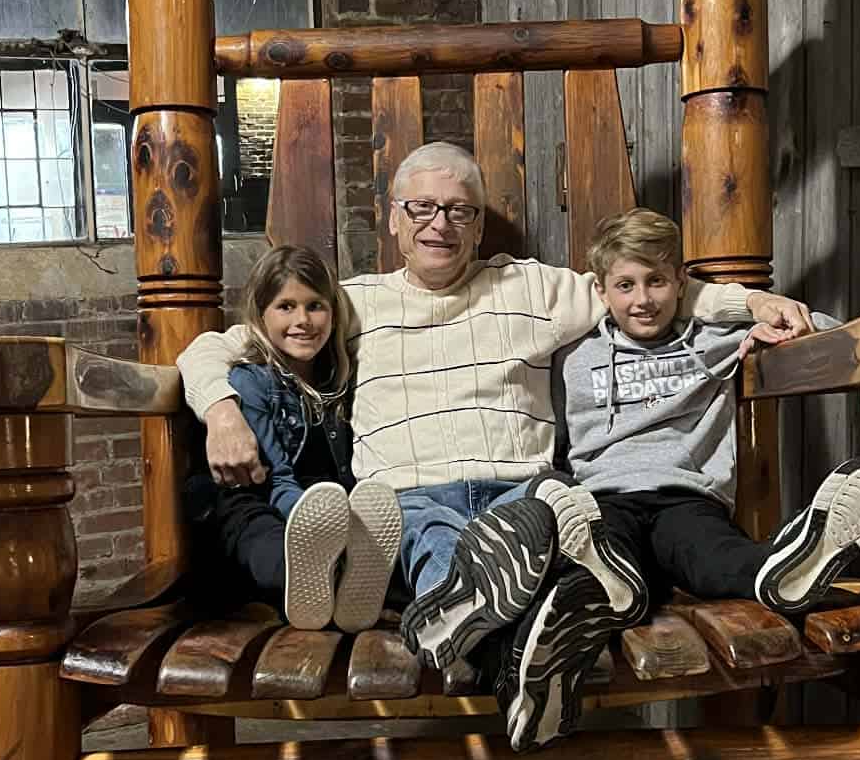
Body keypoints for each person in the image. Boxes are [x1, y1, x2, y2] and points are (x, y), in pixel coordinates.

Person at [177, 144, 817, 668]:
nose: (440, 224)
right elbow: (215, 348)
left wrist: (752, 304)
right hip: (410, 494)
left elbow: (646, 285)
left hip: (521, 497)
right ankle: (470, 620)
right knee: (430, 539)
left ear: (480, 224)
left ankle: (466, 625)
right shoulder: (351, 303)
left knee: (546, 525)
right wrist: (224, 413)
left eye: (459, 211)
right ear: (394, 220)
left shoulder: (534, 286)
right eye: (422, 208)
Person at [485, 207, 860, 750]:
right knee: (609, 557)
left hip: (688, 497)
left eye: (656, 281)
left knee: (713, 557)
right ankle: (579, 624)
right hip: (606, 498)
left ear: (682, 282)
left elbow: (831, 334)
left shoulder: (714, 339)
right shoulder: (573, 355)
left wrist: (778, 325)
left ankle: (786, 565)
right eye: (625, 285)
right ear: (602, 291)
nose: (643, 299)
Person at [202, 244, 402, 631]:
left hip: (324, 505)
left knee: (369, 529)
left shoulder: (337, 378)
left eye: (315, 306)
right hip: (259, 498)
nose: (303, 320)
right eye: (286, 306)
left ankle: (347, 587)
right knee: (263, 538)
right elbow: (276, 480)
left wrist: (344, 523)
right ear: (261, 314)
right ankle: (310, 578)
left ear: (333, 311)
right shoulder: (252, 381)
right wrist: (317, 529)